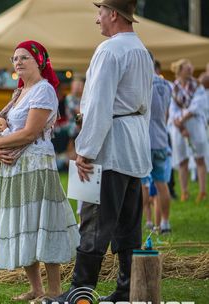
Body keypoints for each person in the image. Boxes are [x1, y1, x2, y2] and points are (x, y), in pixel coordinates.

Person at [44, 1, 154, 303]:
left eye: (100, 13)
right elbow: (143, 106)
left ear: (114, 14)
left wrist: (85, 151)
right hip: (132, 147)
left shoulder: (110, 50)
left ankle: (80, 292)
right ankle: (126, 291)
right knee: (128, 225)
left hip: (109, 149)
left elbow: (100, 105)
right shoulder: (142, 51)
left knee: (94, 223)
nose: (97, 19)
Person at [0, 40, 79, 302]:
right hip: (16, 167)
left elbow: (30, 132)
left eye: (24, 57)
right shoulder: (19, 94)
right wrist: (1, 130)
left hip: (36, 165)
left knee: (42, 223)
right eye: (15, 58)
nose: (17, 62)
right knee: (23, 224)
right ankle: (36, 288)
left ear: (39, 61)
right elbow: (10, 126)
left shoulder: (44, 90)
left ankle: (54, 289)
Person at [142, 54, 173, 233]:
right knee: (162, 184)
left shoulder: (144, 83)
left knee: (143, 184)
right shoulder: (166, 84)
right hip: (162, 138)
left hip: (147, 140)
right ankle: (165, 223)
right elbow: (167, 114)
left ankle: (146, 221)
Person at [169, 58, 208, 203]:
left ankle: (202, 192)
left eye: (191, 67)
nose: (190, 69)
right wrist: (179, 125)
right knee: (182, 160)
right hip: (179, 128)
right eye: (187, 67)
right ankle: (185, 192)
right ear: (180, 70)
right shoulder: (174, 87)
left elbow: (197, 106)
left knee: (200, 158)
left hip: (195, 125)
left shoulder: (197, 85)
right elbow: (172, 109)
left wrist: (182, 120)